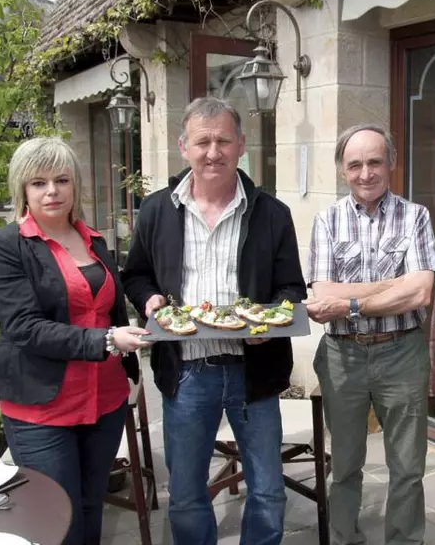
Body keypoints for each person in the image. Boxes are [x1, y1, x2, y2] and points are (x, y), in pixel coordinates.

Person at [122, 96, 306, 545]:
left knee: (267, 491)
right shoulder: (156, 210)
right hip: (186, 372)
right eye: (202, 141)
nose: (213, 151)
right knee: (185, 494)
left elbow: (291, 290)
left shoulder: (272, 213)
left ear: (241, 145)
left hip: (254, 373)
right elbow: (135, 275)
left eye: (223, 140)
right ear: (183, 146)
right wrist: (149, 300)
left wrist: (267, 323)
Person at [0, 137, 150, 545]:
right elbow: (24, 327)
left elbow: (107, 307)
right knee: (56, 521)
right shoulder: (8, 246)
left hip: (104, 399)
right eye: (39, 182)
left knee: (89, 506)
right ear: (23, 189)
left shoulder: (93, 240)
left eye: (62, 180)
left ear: (75, 185)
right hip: (42, 406)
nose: (52, 191)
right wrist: (106, 339)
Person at [304, 123, 435, 545]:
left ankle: (404, 540)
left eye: (375, 162)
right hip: (342, 356)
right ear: (343, 170)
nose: (366, 173)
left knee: (407, 465)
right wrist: (389, 286)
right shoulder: (326, 220)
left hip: (401, 353)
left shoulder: (415, 216)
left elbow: (420, 292)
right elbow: (321, 296)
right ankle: (345, 538)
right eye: (355, 164)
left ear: (392, 164)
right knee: (344, 463)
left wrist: (351, 302)